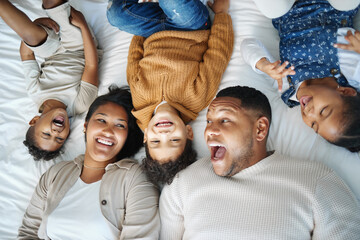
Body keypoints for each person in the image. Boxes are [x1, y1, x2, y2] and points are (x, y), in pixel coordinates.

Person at [160, 86, 360, 239]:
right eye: (209, 121)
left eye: (225, 120)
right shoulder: (182, 184)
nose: (209, 130)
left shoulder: (316, 180)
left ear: (260, 129)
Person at [106, 0, 234, 184]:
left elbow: (134, 63)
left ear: (146, 137)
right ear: (188, 132)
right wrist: (221, 14)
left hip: (151, 30)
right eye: (174, 140)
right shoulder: (197, 98)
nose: (164, 134)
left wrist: (140, 34)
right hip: (190, 27)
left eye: (156, 142)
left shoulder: (140, 102)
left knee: (116, 15)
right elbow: (218, 55)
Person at [18, 86, 160, 239]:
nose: (108, 131)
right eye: (101, 120)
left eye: (120, 125)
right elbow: (28, 232)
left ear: (126, 136)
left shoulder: (135, 178)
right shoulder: (54, 174)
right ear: (85, 126)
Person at [241, 0, 360, 152]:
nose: (310, 114)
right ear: (345, 91)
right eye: (323, 111)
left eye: (313, 125)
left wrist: (262, 64)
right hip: (332, 6)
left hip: (288, 8)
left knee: (272, 9)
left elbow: (247, 45)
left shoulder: (286, 85)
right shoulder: (352, 73)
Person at [0, 0, 99, 160]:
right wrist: (82, 25)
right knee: (51, 4)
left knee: (31, 36)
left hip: (52, 51)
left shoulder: (36, 93)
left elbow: (26, 55)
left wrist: (37, 23)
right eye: (60, 139)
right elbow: (91, 65)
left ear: (34, 120)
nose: (55, 133)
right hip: (81, 48)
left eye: (46, 134)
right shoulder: (80, 104)